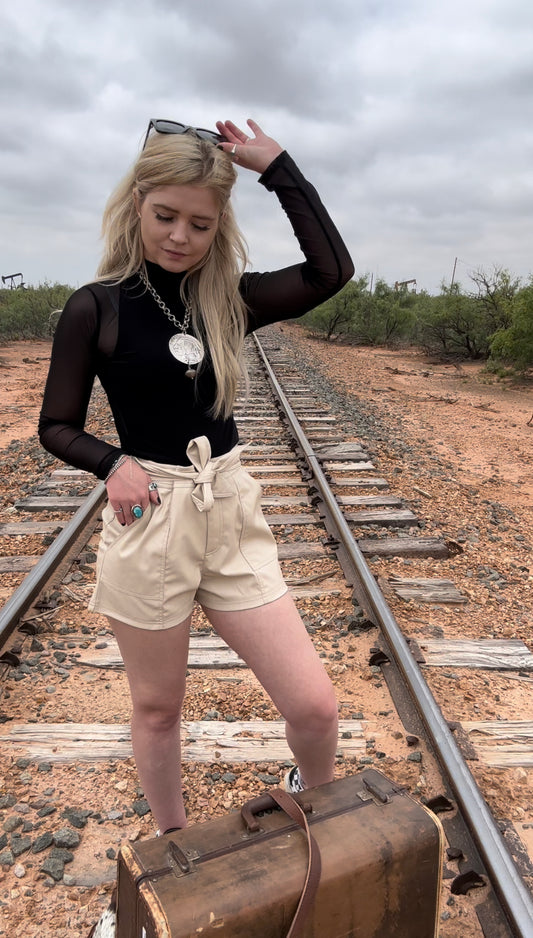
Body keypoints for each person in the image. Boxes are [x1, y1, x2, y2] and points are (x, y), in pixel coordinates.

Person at [39, 117, 355, 836]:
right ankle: (174, 846)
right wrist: (111, 462)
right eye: (166, 216)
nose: (181, 236)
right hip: (150, 515)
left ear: (218, 227)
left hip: (229, 511)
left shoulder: (228, 299)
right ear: (137, 203)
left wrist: (278, 167)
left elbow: (329, 273)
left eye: (200, 224)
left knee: (313, 705)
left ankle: (320, 801)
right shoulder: (98, 307)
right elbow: (54, 425)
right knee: (157, 709)